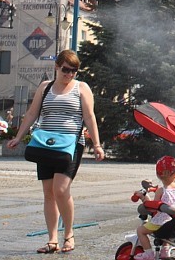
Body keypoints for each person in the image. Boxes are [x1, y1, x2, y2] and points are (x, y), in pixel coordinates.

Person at [6, 49, 105, 254]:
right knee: (48, 192)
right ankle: (52, 239)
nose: (69, 75)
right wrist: (18, 136)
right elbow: (33, 113)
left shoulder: (81, 88)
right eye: (66, 70)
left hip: (70, 145)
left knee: (61, 190)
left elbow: (89, 116)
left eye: (74, 71)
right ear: (56, 67)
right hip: (46, 144)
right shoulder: (46, 87)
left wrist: (96, 144)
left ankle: (68, 234)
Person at [132, 156, 175, 260]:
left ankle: (148, 253)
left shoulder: (161, 191)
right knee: (166, 232)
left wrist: (144, 199)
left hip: (161, 222)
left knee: (141, 231)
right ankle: (165, 252)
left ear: (158, 175)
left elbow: (154, 207)